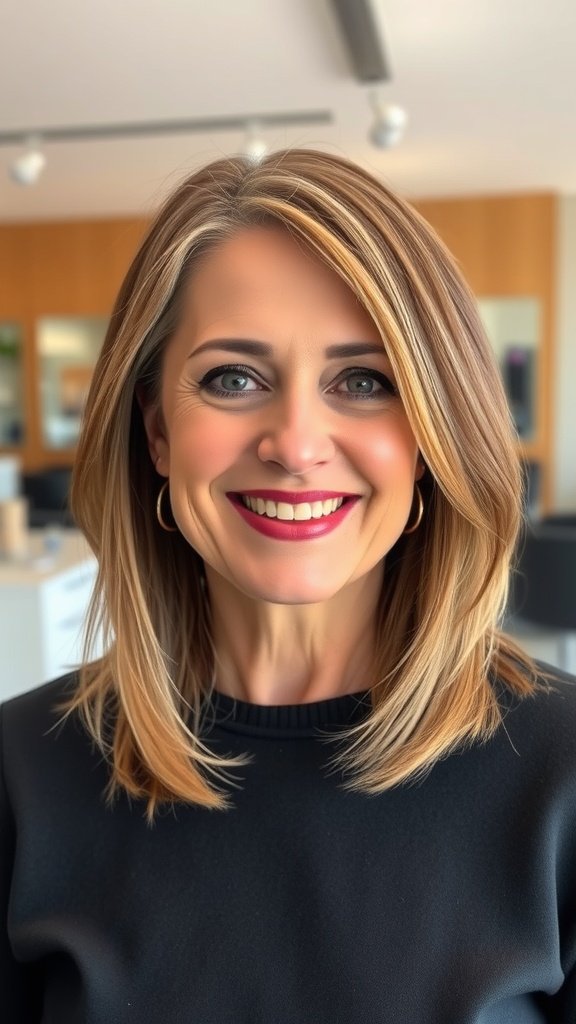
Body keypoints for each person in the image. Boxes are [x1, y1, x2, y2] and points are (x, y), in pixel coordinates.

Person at [1, 149, 575, 1023]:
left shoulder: (562, 777)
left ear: (431, 437)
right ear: (157, 432)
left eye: (364, 381)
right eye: (234, 378)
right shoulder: (21, 776)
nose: (296, 444)